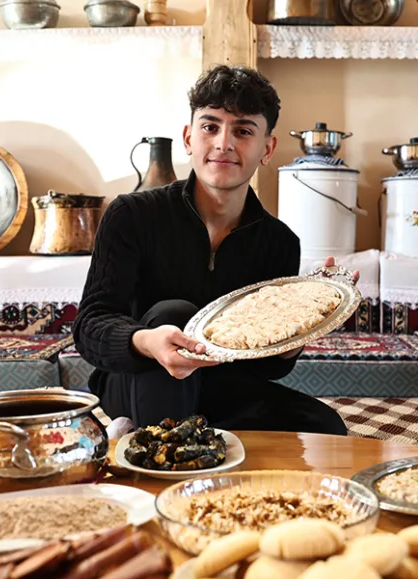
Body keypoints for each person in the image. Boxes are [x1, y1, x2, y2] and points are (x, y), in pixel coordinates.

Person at [72, 64, 353, 436]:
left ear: (267, 148)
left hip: (224, 383)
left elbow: (264, 368)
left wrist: (300, 333)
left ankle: (189, 433)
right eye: (210, 127)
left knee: (324, 427)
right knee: (175, 313)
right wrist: (147, 342)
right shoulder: (132, 214)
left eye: (243, 131)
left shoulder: (279, 241)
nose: (224, 143)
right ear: (189, 138)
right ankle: (157, 440)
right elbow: (91, 325)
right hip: (138, 376)